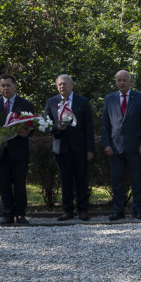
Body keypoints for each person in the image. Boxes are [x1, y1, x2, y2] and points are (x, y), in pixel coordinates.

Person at [0, 73, 34, 225]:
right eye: (3, 85)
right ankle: (7, 214)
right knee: (3, 184)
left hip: (19, 150)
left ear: (15, 86)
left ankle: (20, 214)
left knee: (19, 183)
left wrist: (27, 132)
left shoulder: (25, 104)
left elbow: (33, 126)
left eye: (8, 85)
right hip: (0, 152)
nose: (6, 88)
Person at [101, 69, 141, 221]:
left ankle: (138, 210)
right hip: (115, 148)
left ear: (130, 82)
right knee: (117, 181)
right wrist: (106, 144)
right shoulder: (109, 99)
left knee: (137, 180)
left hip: (135, 147)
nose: (121, 83)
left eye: (124, 80)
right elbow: (105, 125)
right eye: (119, 80)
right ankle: (118, 211)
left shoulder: (140, 98)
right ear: (115, 82)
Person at [45, 74, 94, 221]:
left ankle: (83, 210)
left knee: (81, 180)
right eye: (59, 84)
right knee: (65, 180)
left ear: (72, 85)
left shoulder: (82, 102)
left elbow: (89, 127)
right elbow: (46, 125)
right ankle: (67, 210)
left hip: (80, 148)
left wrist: (90, 149)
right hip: (61, 148)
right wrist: (57, 128)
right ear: (56, 86)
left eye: (65, 84)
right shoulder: (51, 102)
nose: (62, 86)